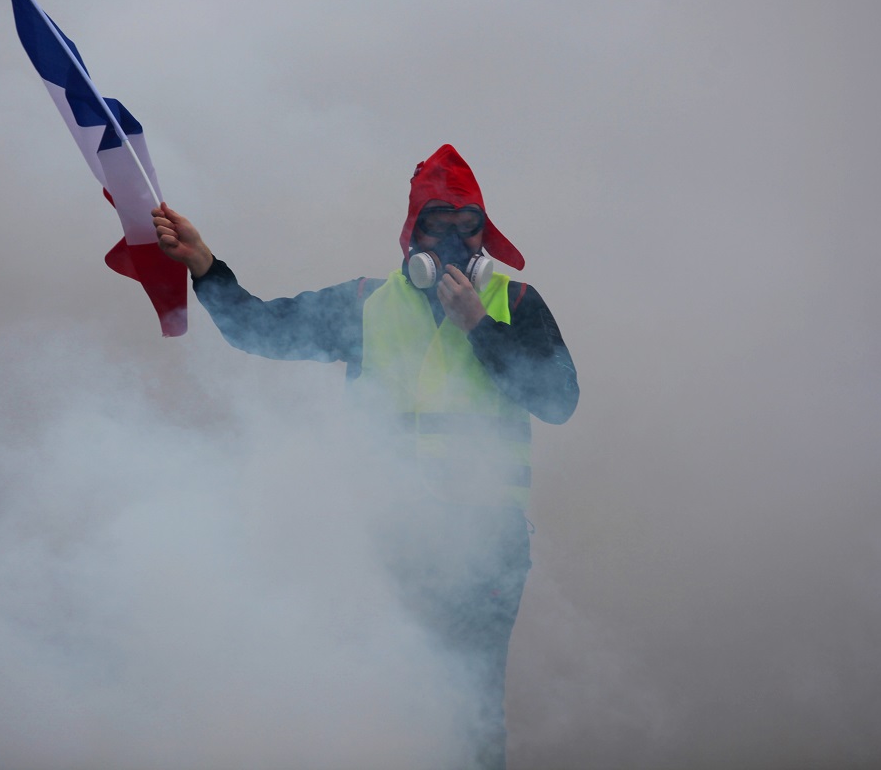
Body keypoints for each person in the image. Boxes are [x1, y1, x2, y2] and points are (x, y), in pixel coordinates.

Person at [153, 144, 578, 769]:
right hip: (389, 546)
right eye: (439, 223)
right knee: (388, 704)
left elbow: (558, 400)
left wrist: (478, 327)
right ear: (412, 234)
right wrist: (205, 264)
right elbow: (260, 329)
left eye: (470, 227)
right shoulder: (365, 305)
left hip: (485, 552)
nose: (456, 241)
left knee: (471, 716)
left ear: (486, 234)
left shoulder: (514, 302)